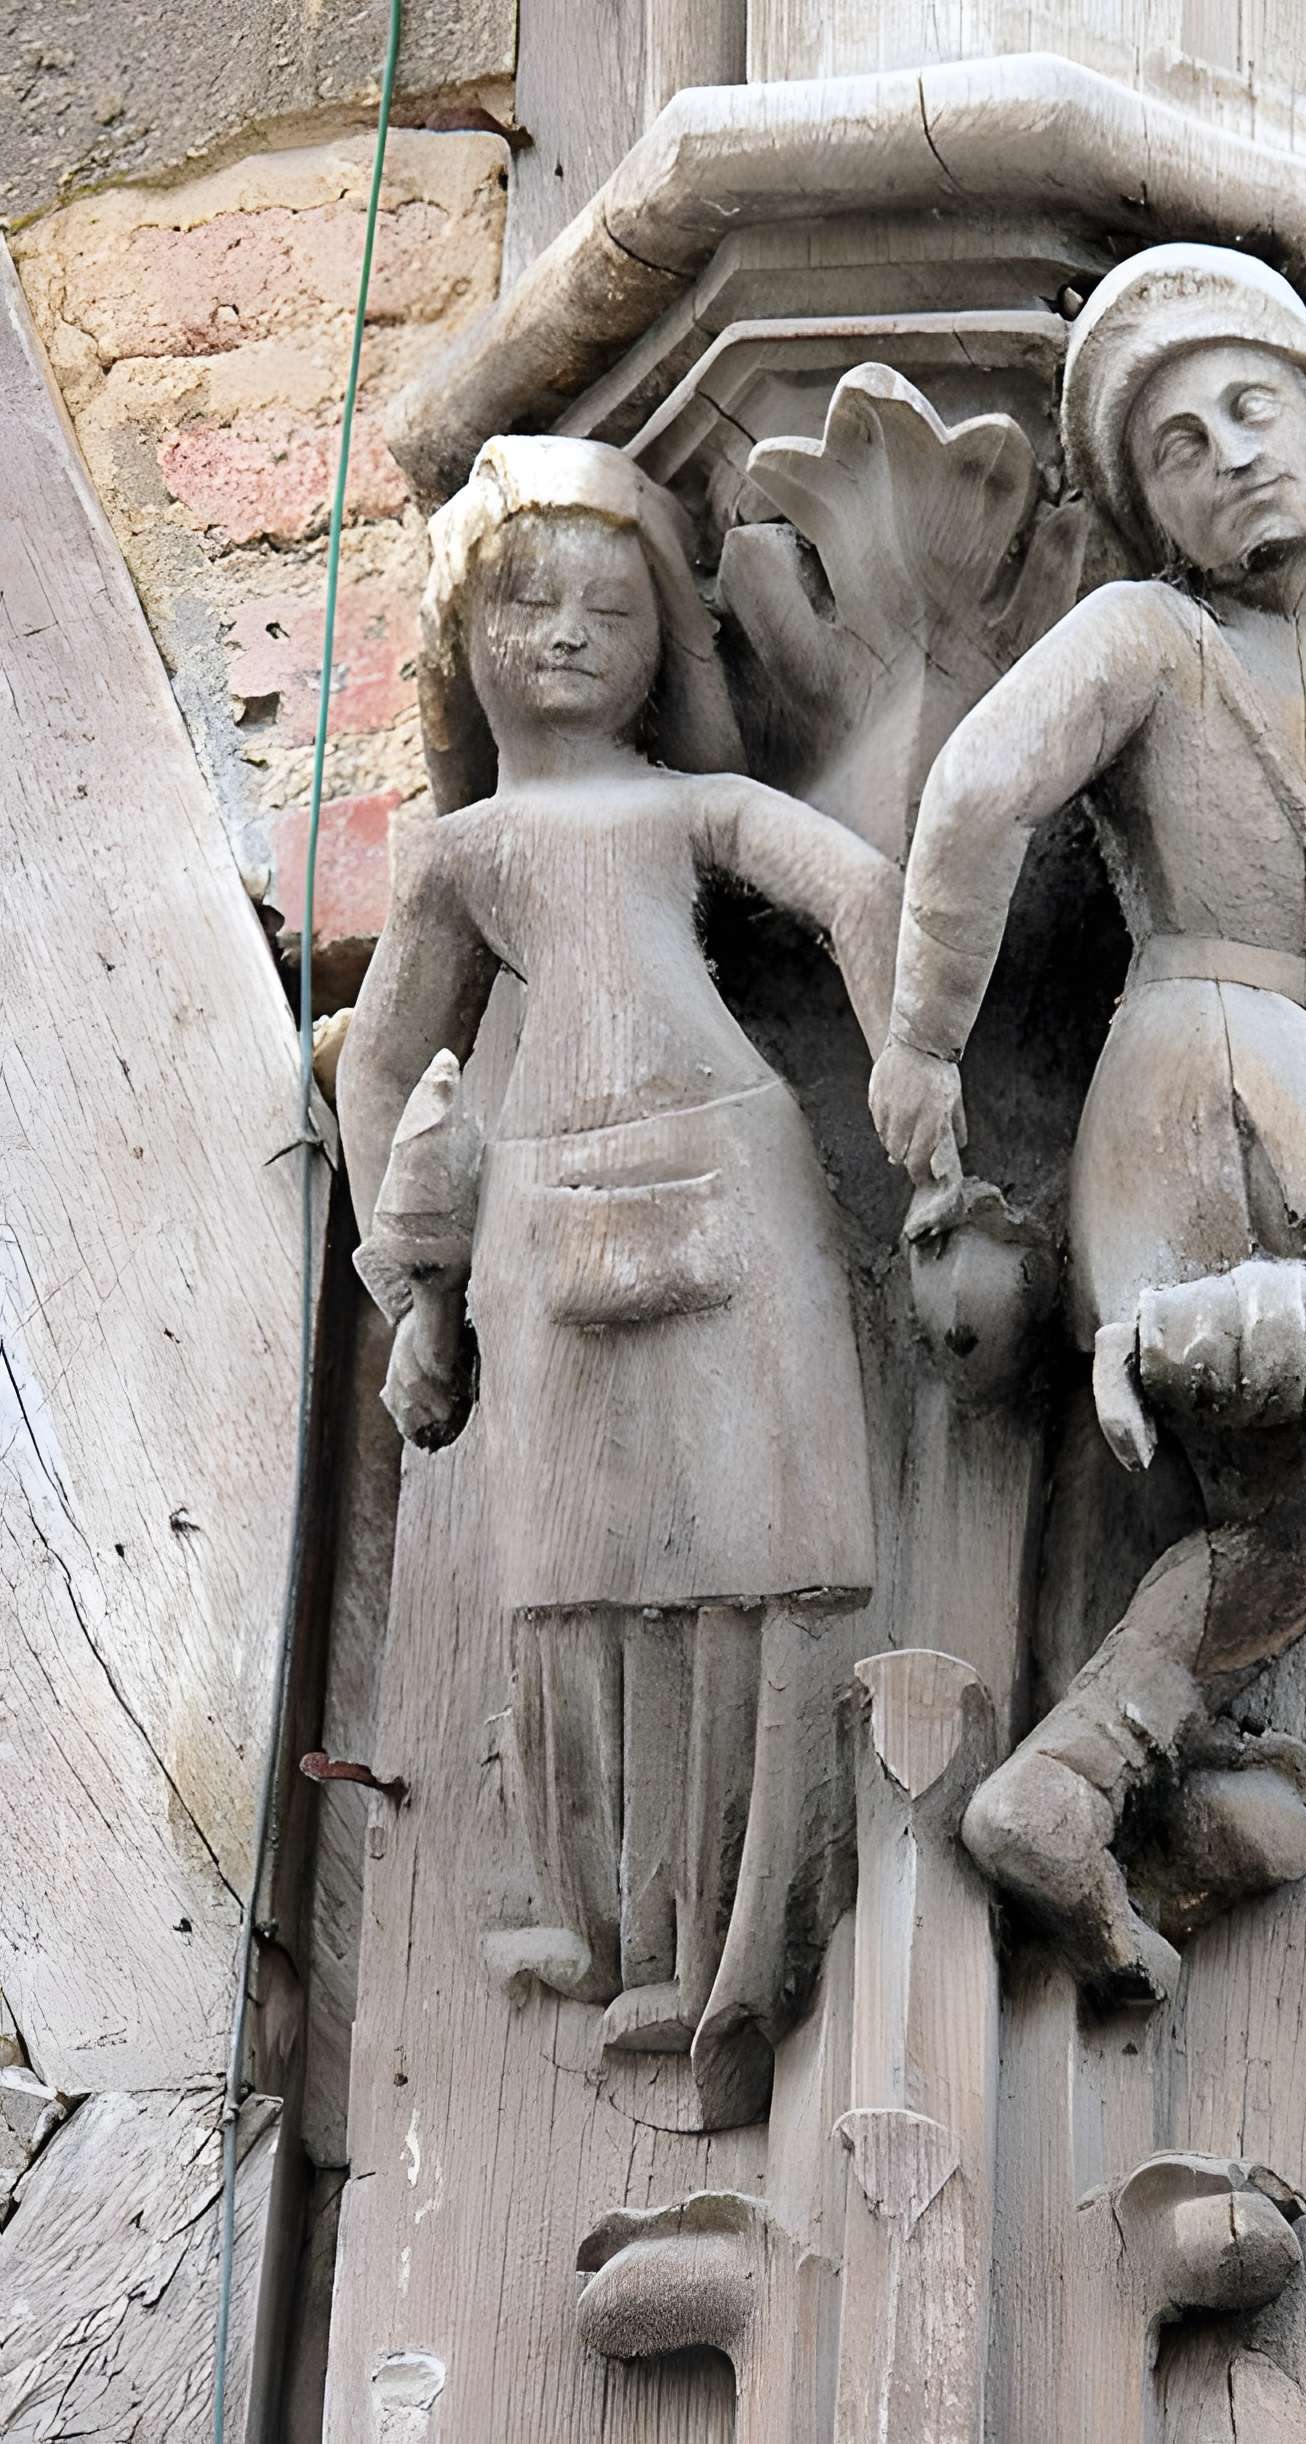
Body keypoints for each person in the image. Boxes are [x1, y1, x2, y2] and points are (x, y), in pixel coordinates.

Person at [869, 245, 1306, 2001]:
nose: (1228, 452)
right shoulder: (1148, 635)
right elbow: (983, 788)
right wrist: (922, 1042)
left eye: (1255, 408)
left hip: (1288, 1066)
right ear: (1147, 513)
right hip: (1207, 1064)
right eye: (1175, 443)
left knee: (1290, 1551)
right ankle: (1196, 1333)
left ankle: (1062, 1787)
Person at [341, 435, 902, 2123]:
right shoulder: (460, 858)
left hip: (730, 1165)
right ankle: (612, 1930)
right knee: (575, 1580)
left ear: (669, 630)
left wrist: (915, 1068)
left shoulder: (689, 806)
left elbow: (859, 888)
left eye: (612, 605)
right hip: (543, 1203)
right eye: (532, 602)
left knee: (761, 1553)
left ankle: (746, 1940)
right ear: (466, 639)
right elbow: (379, 1063)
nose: (574, 633)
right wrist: (408, 1271)